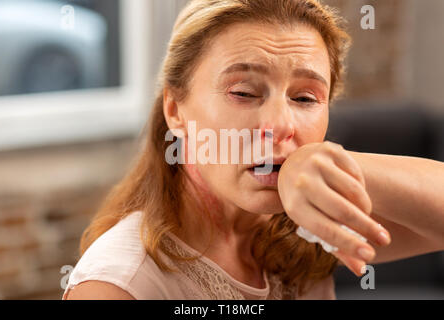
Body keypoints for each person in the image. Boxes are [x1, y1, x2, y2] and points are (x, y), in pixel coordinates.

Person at [63, 0, 444, 300]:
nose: (280, 125)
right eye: (243, 92)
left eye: (305, 97)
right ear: (175, 110)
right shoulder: (118, 284)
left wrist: (331, 166)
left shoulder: (305, 221)